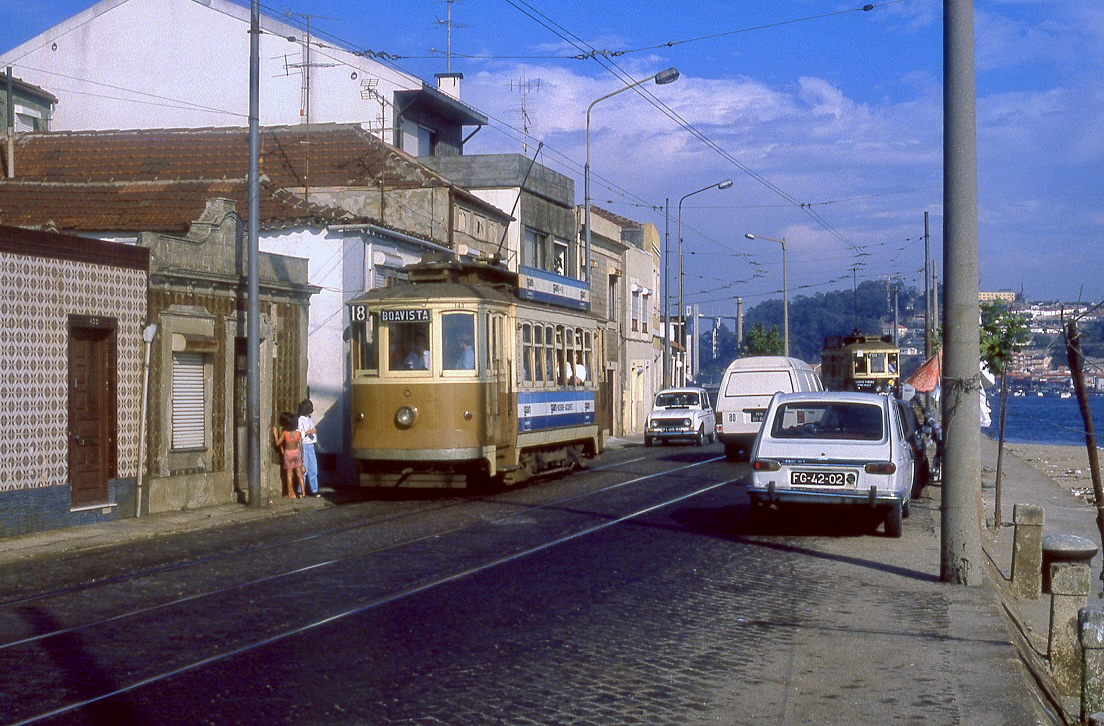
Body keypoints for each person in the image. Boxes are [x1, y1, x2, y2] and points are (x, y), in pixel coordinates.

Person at [272, 412, 305, 499]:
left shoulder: (285, 433)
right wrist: (302, 457)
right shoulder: (298, 433)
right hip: (296, 452)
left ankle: (290, 494)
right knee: (299, 474)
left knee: (289, 474)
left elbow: (278, 443)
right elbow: (301, 446)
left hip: (288, 453)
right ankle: (303, 492)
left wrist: (275, 435)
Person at [297, 399, 320, 497]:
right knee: (304, 468)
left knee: (313, 468)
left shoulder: (309, 418)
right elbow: (299, 434)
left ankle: (314, 489)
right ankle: (300, 490)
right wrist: (309, 432)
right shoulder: (300, 419)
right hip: (304, 445)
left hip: (311, 445)